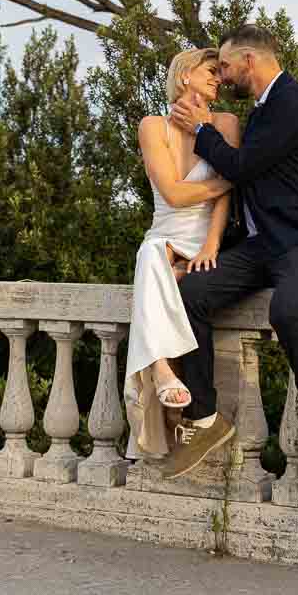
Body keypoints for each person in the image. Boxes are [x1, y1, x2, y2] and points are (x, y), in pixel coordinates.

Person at [166, 23, 298, 483]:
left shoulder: (294, 101)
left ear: (249, 60)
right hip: (261, 247)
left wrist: (202, 130)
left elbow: (242, 167)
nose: (222, 76)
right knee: (190, 294)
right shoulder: (263, 110)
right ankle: (204, 418)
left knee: (286, 311)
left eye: (226, 66)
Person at [123, 48, 240, 460]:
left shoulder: (225, 122)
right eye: (210, 72)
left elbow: (223, 191)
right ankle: (160, 368)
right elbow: (173, 193)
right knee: (152, 253)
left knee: (153, 261)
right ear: (185, 75)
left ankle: (161, 370)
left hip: (205, 239)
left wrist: (211, 245)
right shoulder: (152, 126)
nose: (218, 79)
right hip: (166, 234)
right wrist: (226, 183)